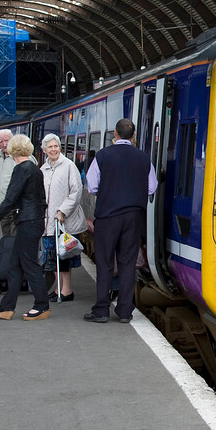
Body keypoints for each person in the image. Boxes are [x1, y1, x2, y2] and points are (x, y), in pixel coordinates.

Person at [84, 119, 157, 324]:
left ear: (114, 134)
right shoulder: (143, 158)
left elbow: (92, 187)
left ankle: (101, 310)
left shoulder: (103, 156)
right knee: (127, 263)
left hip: (107, 217)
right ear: (133, 136)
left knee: (105, 263)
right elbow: (151, 188)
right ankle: (125, 311)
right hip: (133, 218)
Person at [0, 134, 49, 321]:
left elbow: (9, 199)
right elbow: (41, 200)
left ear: (13, 150)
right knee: (15, 265)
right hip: (34, 221)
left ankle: (42, 306)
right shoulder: (35, 169)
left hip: (27, 222)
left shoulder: (21, 169)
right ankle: (7, 306)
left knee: (29, 266)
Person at [40, 133, 86, 302]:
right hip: (48, 222)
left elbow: (76, 191)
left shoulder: (69, 166)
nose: (53, 149)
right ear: (44, 150)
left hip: (65, 221)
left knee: (64, 256)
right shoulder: (43, 169)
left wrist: (62, 211)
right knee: (52, 256)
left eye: (56, 146)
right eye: (50, 147)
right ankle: (59, 288)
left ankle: (67, 290)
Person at [0, 129, 37, 236]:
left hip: (19, 209)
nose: (4, 144)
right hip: (3, 208)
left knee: (15, 241)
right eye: (0, 142)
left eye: (6, 140)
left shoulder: (24, 158)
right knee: (7, 240)